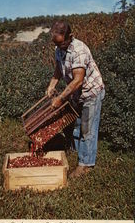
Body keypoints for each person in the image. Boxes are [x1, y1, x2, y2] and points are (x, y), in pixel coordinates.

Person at [45, 20, 105, 178]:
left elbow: (78, 80)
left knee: (88, 129)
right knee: (77, 124)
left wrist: (60, 98)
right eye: (57, 44)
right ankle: (78, 152)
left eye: (62, 44)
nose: (59, 48)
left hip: (90, 92)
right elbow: (58, 69)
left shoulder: (79, 50)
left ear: (69, 37)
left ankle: (86, 165)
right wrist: (52, 85)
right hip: (76, 93)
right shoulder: (59, 48)